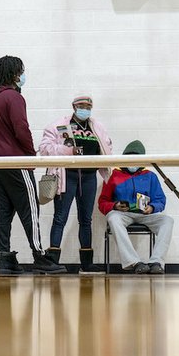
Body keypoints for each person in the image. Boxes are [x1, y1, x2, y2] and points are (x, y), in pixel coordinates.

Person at [0, 56, 65, 275]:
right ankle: (39, 256)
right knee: (31, 209)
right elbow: (21, 129)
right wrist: (29, 154)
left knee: (3, 214)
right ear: (13, 74)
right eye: (20, 71)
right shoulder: (13, 97)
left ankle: (1, 257)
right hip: (16, 161)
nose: (22, 76)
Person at [39, 95, 113, 273]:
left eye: (88, 106)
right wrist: (66, 150)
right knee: (60, 218)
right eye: (81, 106)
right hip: (67, 175)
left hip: (89, 176)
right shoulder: (59, 125)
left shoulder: (97, 127)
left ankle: (86, 264)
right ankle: (52, 261)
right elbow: (44, 148)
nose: (84, 109)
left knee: (86, 219)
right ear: (73, 106)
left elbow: (108, 146)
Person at [98, 140, 173, 274]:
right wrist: (115, 205)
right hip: (123, 214)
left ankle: (156, 262)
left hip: (145, 214)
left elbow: (161, 200)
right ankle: (134, 262)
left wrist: (152, 207)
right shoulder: (113, 175)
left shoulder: (150, 176)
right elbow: (102, 202)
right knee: (113, 218)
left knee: (167, 221)